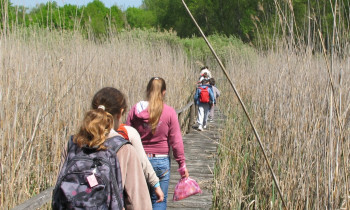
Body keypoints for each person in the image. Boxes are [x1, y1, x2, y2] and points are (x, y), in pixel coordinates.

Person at [58, 87, 158, 210]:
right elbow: (137, 200)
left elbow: (59, 188)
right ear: (120, 113)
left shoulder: (73, 144)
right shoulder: (123, 148)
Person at [126, 77, 189, 209]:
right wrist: (182, 165)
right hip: (161, 162)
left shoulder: (135, 111)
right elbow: (176, 141)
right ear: (164, 92)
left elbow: (126, 135)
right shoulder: (169, 112)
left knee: (139, 201)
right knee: (159, 200)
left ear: (148, 90)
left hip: (140, 160)